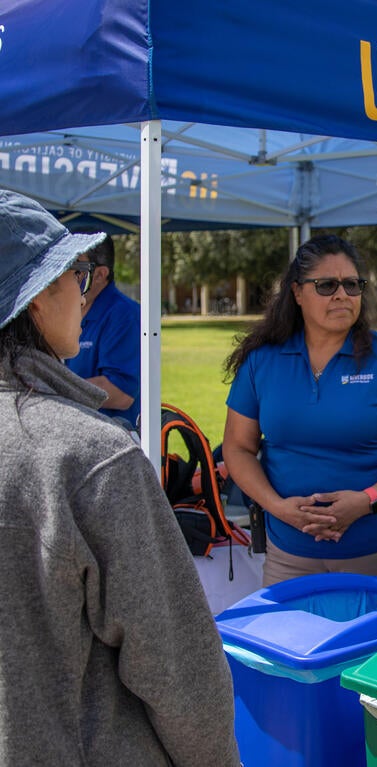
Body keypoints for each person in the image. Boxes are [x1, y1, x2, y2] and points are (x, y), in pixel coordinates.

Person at [0, 190, 239, 765]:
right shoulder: (92, 457)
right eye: (75, 275)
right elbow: (178, 671)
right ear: (37, 297)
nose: (84, 295)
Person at [222, 234, 377, 585]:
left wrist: (367, 501)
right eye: (326, 285)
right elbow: (237, 447)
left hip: (376, 556)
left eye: (352, 285)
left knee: (374, 642)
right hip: (287, 556)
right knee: (289, 641)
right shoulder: (262, 361)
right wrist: (277, 508)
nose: (342, 295)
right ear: (297, 293)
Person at [66, 231, 141, 426]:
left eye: (75, 270)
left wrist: (54, 389)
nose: (65, 278)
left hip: (113, 443)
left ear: (100, 275)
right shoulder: (71, 311)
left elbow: (121, 392)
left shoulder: (124, 314)